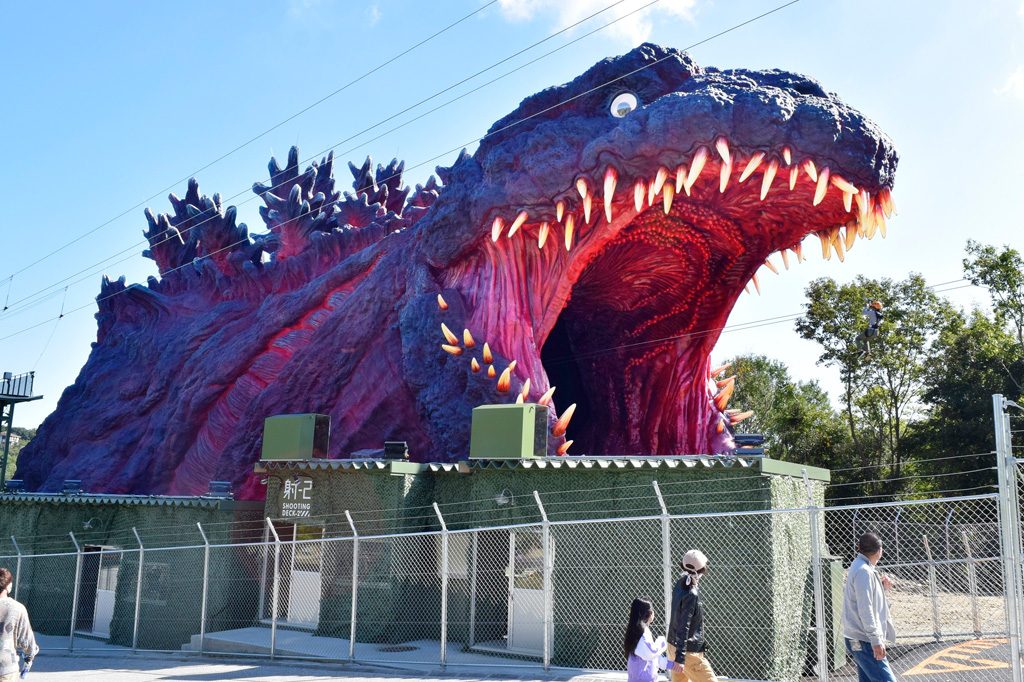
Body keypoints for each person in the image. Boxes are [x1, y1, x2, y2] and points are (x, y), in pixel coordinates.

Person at [842, 533, 898, 682]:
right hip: (864, 639)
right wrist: (876, 640)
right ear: (880, 551)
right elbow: (865, 608)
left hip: (859, 638)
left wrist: (882, 587)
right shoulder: (864, 572)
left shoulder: (861, 567)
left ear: (859, 548)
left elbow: (867, 601)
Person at [668, 549, 718, 682]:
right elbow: (684, 626)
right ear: (700, 571)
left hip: (673, 646)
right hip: (688, 653)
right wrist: (680, 658)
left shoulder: (680, 583)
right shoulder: (691, 593)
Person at [0, 567, 37, 681]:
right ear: (8, 586)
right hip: (6, 668)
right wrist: (29, 657)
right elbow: (27, 642)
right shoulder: (17, 608)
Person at [623, 597, 669, 682]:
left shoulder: (633, 631)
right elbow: (652, 652)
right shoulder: (643, 633)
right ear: (650, 613)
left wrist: (671, 664)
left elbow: (654, 657)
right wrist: (662, 642)